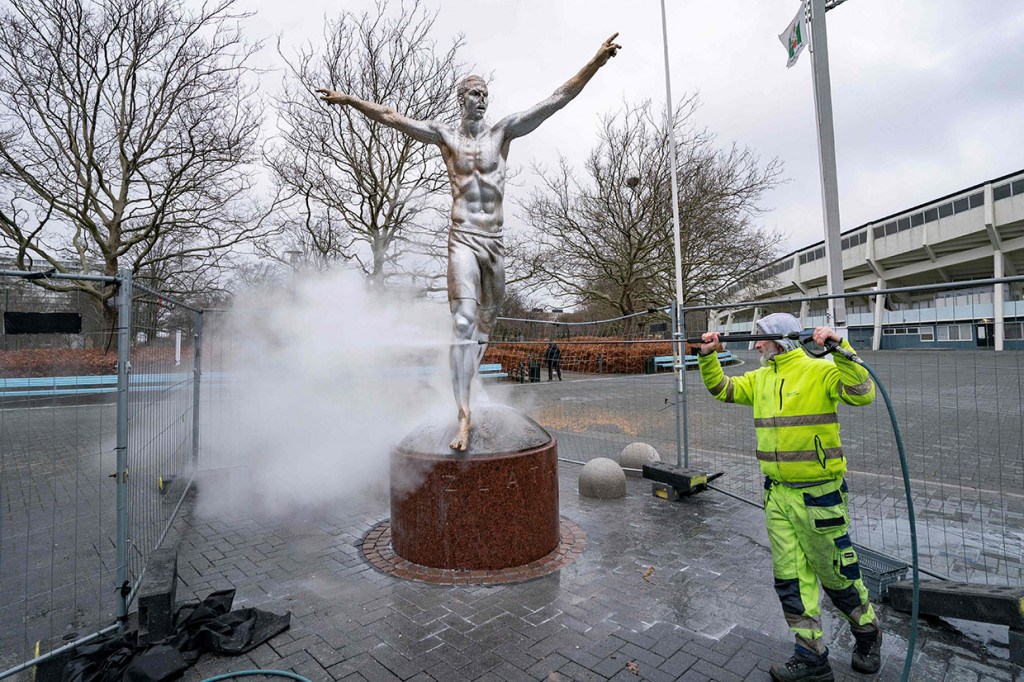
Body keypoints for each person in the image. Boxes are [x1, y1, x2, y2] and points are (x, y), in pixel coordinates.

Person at [317, 34, 621, 451]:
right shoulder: (446, 137)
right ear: (461, 99)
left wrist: (595, 63)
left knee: (483, 327)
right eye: (475, 94)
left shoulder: (503, 132)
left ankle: (470, 385)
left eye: (485, 94)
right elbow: (390, 116)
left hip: (494, 243)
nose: (482, 100)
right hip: (462, 236)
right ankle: (463, 414)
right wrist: (349, 100)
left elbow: (556, 99)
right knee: (462, 323)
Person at [698, 313, 882, 682]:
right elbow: (723, 389)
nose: (756, 345)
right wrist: (708, 356)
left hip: (820, 498)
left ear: (780, 341)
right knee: (791, 580)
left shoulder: (820, 370)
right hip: (777, 497)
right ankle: (811, 656)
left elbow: (863, 393)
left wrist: (840, 347)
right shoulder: (761, 377)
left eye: (761, 339)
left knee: (837, 576)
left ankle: (867, 633)